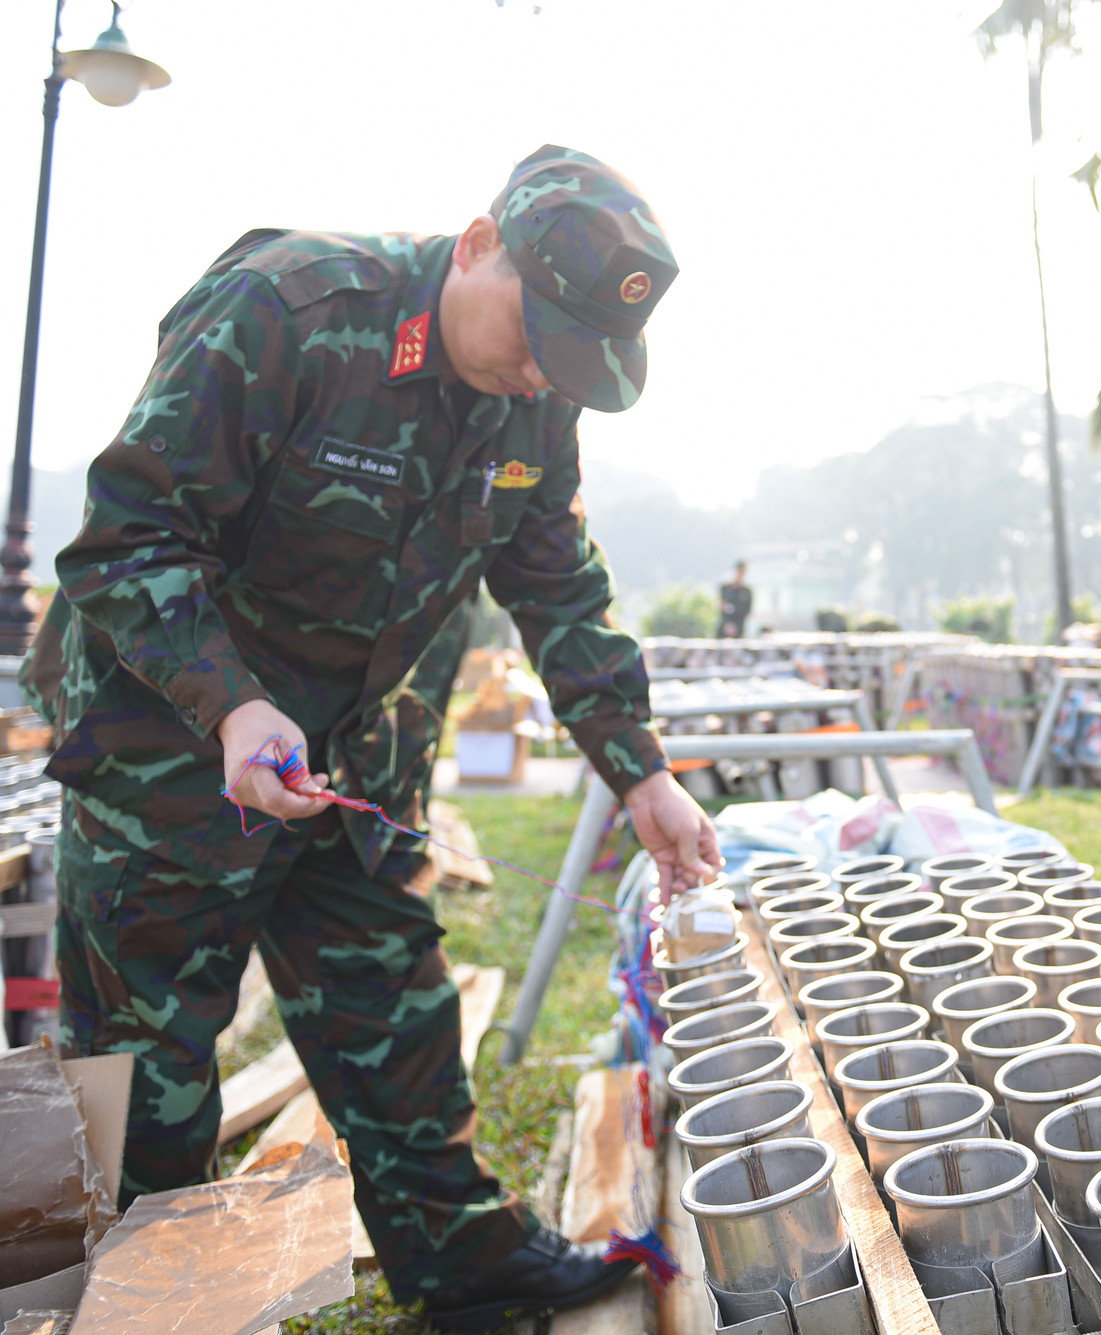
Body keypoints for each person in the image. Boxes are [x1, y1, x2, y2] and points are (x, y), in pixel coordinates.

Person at [24, 145, 721, 1333]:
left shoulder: (533, 395)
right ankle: (140, 1314)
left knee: (394, 1015)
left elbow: (553, 581)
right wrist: (235, 704)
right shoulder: (289, 312)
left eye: (566, 362)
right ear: (475, 244)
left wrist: (638, 768)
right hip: (177, 759)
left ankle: (465, 1267)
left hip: (348, 764)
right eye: (532, 335)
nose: (534, 378)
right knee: (150, 1079)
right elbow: (125, 541)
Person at [717, 559, 752, 638]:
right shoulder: (726, 589)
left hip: (739, 629)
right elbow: (722, 608)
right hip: (724, 628)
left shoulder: (746, 592)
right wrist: (728, 624)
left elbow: (746, 611)